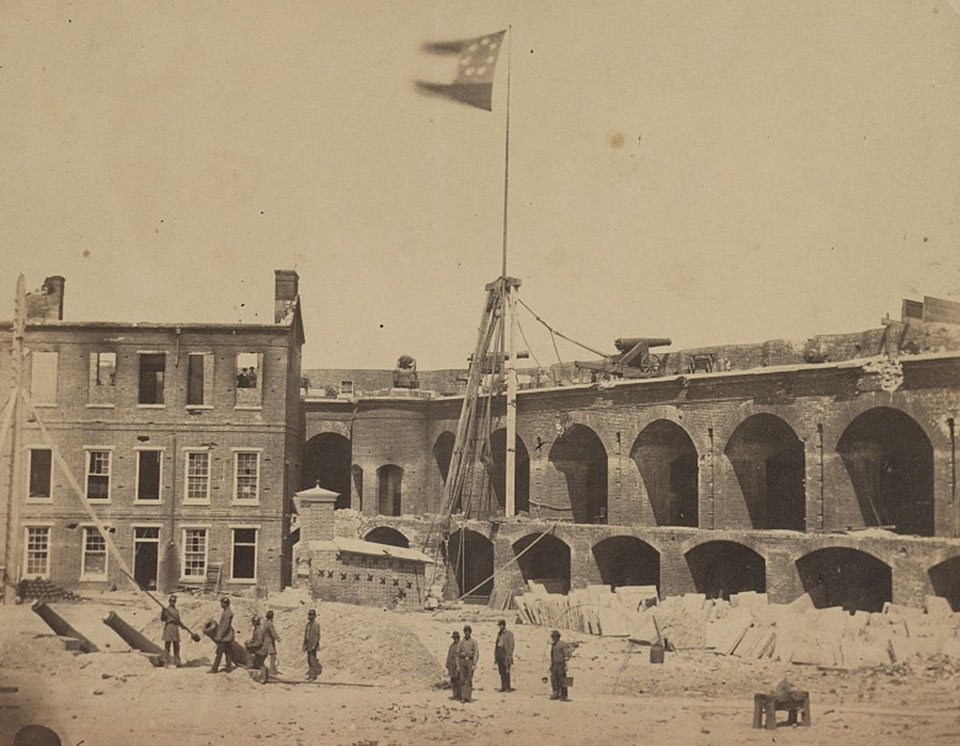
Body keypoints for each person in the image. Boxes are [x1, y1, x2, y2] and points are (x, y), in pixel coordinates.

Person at [208, 597, 235, 674]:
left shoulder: (227, 613)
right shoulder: (227, 611)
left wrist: (220, 636)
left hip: (224, 637)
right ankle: (228, 667)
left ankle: (214, 668)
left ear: (225, 604)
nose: (221, 604)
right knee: (228, 652)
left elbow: (225, 626)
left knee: (219, 653)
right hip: (227, 636)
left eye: (222, 603)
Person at [244, 614, 270, 684]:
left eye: (253, 622)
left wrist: (251, 645)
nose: (252, 623)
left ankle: (263, 678)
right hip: (259, 648)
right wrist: (249, 642)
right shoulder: (256, 629)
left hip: (261, 650)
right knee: (259, 662)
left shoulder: (259, 631)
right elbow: (254, 638)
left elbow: (259, 642)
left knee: (261, 663)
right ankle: (251, 665)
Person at [160, 593, 183, 667]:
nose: (173, 602)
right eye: (172, 601)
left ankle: (177, 662)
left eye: (174, 601)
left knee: (176, 646)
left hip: (175, 628)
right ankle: (166, 663)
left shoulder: (176, 611)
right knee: (167, 646)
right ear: (169, 601)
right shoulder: (166, 610)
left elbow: (178, 620)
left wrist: (183, 626)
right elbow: (163, 619)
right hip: (169, 627)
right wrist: (163, 612)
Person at [457, 624, 479, 703]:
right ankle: (463, 697)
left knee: (469, 680)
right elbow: (457, 653)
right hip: (462, 661)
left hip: (470, 661)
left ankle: (469, 697)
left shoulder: (473, 642)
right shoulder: (461, 642)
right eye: (465, 632)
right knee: (462, 680)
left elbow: (476, 653)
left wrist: (474, 664)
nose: (467, 633)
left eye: (468, 632)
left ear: (470, 632)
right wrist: (458, 665)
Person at [549, 630, 572, 701]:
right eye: (553, 637)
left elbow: (567, 655)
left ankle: (565, 695)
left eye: (555, 637)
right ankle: (556, 693)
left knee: (563, 679)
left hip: (561, 664)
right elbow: (552, 656)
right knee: (553, 678)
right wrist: (551, 665)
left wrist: (566, 664)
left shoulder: (562, 644)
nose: (553, 638)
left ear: (558, 637)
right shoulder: (553, 645)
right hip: (555, 664)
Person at [494, 618, 515, 692]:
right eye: (499, 625)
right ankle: (503, 686)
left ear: (504, 625)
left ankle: (507, 687)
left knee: (507, 671)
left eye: (501, 625)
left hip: (505, 653)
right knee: (501, 671)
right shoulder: (499, 633)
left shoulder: (509, 634)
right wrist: (496, 656)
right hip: (499, 653)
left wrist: (509, 655)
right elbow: (496, 644)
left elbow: (511, 645)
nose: (500, 627)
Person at [303, 608, 321, 680]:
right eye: (309, 615)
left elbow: (317, 635)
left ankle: (313, 676)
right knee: (309, 660)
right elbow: (305, 635)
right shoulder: (308, 625)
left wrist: (314, 645)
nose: (310, 616)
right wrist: (304, 645)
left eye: (311, 615)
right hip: (308, 644)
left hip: (312, 645)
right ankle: (310, 675)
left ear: (314, 616)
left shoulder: (316, 625)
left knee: (312, 660)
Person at [445, 631, 461, 701]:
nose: (455, 639)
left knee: (458, 681)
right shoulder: (451, 646)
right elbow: (449, 656)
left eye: (456, 638)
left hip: (457, 666)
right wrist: (447, 664)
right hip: (452, 666)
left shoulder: (460, 645)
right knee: (453, 681)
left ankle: (459, 696)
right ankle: (454, 695)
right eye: (454, 638)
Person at [263, 609, 281, 675]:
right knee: (273, 655)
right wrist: (278, 638)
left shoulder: (264, 622)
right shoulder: (270, 623)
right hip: (268, 641)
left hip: (265, 640)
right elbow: (273, 632)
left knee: (264, 654)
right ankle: (271, 671)